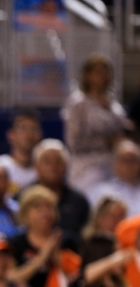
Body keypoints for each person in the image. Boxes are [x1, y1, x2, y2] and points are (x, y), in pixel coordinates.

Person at [64, 53, 131, 194]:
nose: (103, 76)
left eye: (106, 71)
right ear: (86, 76)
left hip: (114, 167)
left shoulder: (114, 103)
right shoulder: (78, 103)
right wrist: (107, 142)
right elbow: (73, 142)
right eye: (98, 72)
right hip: (87, 169)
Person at [32, 139, 91, 246]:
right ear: (36, 166)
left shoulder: (79, 201)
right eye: (47, 161)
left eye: (58, 161)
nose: (53, 166)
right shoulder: (23, 197)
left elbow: (87, 236)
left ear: (66, 166)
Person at [0, 108, 43, 196]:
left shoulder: (46, 170)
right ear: (10, 135)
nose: (28, 133)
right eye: (22, 128)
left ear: (40, 135)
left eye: (34, 128)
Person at [89, 140, 140, 214]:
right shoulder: (102, 192)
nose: (129, 165)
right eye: (124, 160)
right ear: (115, 163)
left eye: (133, 160)